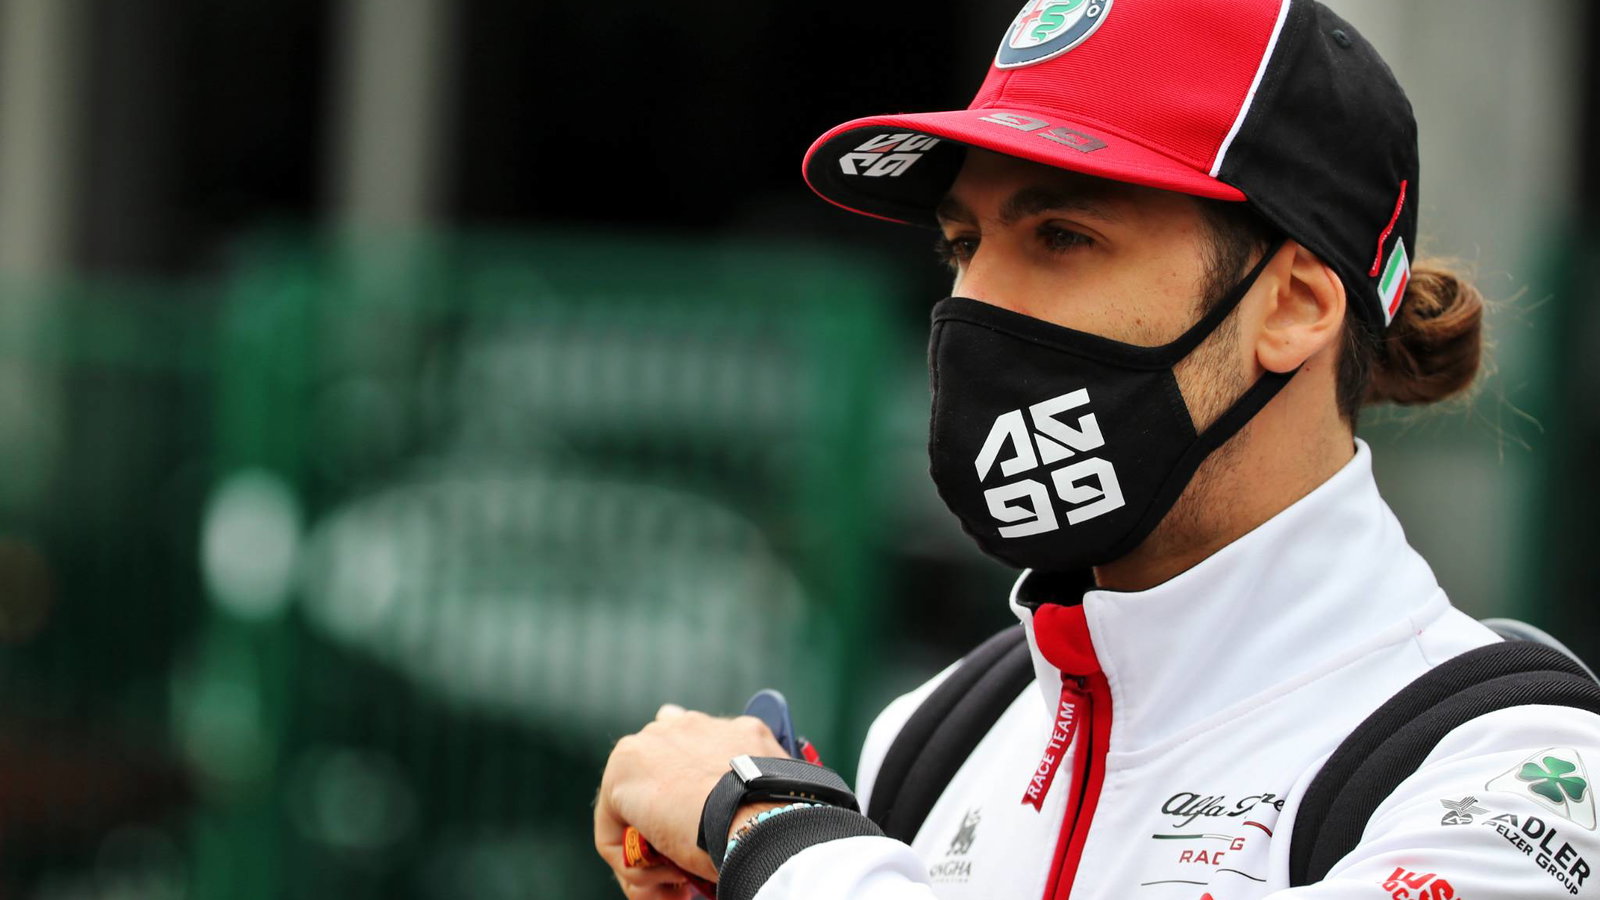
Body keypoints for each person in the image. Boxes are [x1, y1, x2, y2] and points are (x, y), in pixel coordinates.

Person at [594, 1, 1600, 897]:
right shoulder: (937, 736)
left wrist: (772, 839)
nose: (974, 305)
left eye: (1062, 236)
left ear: (1294, 304)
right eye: (963, 246)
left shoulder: (1514, 774)